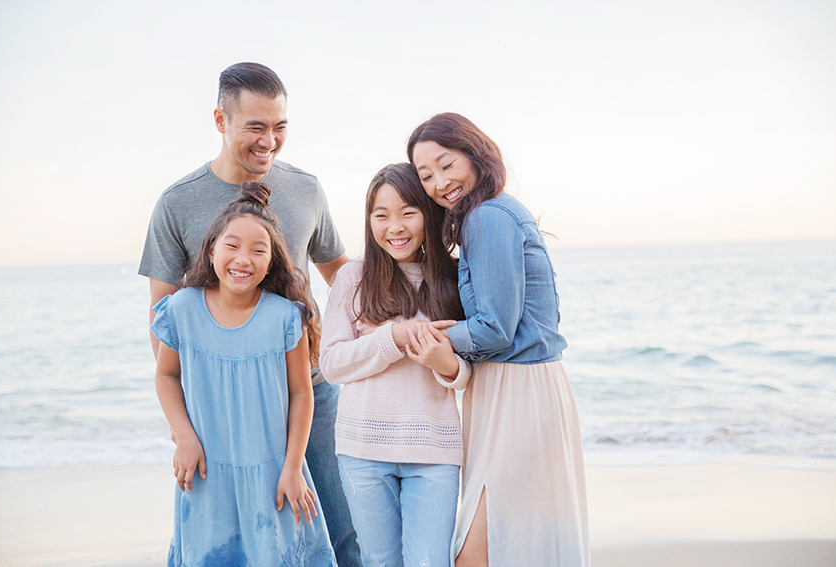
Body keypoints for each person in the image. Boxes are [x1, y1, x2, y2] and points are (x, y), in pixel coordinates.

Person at [139, 62, 361, 566]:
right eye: (255, 127)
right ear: (220, 120)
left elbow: (343, 279)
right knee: (235, 539)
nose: (270, 141)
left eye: (280, 127)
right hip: (227, 406)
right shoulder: (177, 203)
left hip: (313, 387)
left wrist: (391, 331)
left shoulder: (306, 190)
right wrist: (187, 427)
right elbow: (162, 317)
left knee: (343, 525)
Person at [408, 113, 590, 567]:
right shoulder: (496, 211)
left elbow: (495, 329)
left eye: (446, 164)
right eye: (425, 175)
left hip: (518, 394)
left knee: (482, 552)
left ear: (474, 152)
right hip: (524, 390)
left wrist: (438, 340)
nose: (438, 183)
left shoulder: (487, 217)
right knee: (520, 543)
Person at [152, 182, 336, 565]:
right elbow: (166, 375)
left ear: (272, 262)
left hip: (273, 473)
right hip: (207, 472)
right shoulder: (182, 310)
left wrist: (292, 468)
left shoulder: (286, 317)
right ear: (212, 249)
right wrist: (184, 435)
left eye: (258, 250)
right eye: (232, 245)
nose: (243, 258)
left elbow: (302, 394)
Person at [319, 163, 469, 567]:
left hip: (434, 450)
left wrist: (447, 366)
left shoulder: (454, 279)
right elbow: (331, 364)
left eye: (407, 212)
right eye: (381, 215)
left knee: (430, 562)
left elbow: (471, 371)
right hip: (362, 449)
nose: (394, 227)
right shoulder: (353, 277)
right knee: (380, 562)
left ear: (428, 212)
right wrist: (394, 339)